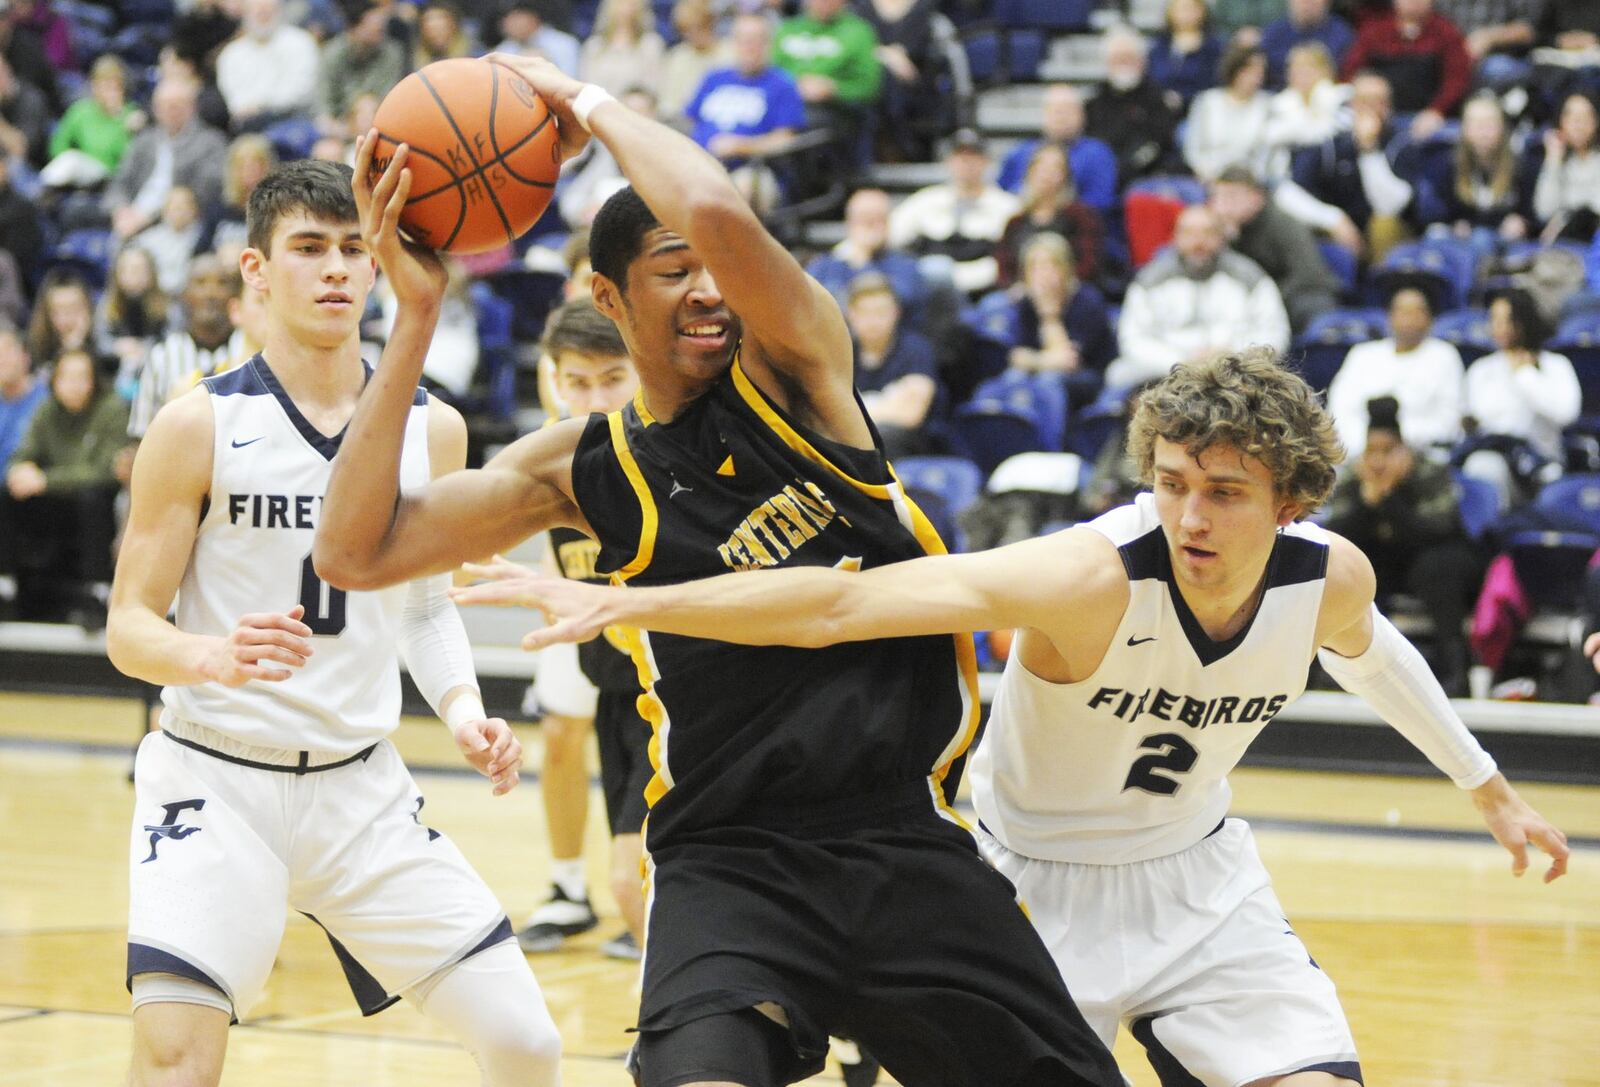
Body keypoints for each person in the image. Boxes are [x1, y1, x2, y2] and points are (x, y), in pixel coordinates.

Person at [316, 53, 1124, 1087]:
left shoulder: (798, 368)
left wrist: (590, 105)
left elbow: (716, 209)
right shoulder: (578, 467)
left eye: (712, 264)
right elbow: (351, 550)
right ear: (606, 296)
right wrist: (415, 313)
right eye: (670, 268)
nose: (708, 287)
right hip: (724, 854)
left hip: (899, 833)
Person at [457, 347, 1570, 1087]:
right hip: (1023, 889)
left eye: (1223, 493)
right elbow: (845, 602)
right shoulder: (1087, 574)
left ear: (1291, 504)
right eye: (1172, 480)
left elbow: (1378, 657)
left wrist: (1488, 787)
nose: (1188, 512)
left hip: (1201, 883)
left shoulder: (1326, 577)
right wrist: (632, 596)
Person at [104, 158, 561, 1087]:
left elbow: (425, 605)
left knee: (527, 1042)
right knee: (176, 1064)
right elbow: (126, 627)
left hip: (362, 792)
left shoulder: (432, 431)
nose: (337, 269)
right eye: (309, 248)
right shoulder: (198, 426)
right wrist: (210, 654)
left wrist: (465, 706)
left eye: (356, 248)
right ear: (256, 272)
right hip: (216, 780)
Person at [517, 297, 651, 961]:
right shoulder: (556, 459)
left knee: (637, 881)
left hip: (680, 703)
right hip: (614, 690)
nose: (594, 399)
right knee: (639, 889)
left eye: (611, 379)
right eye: (577, 382)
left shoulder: (668, 458)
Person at [1322, 395, 1482, 693]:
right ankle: (1329, 670)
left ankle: (1456, 672)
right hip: (1385, 565)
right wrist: (1367, 505)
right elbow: (1335, 535)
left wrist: (1391, 499)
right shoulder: (1356, 478)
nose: (1379, 461)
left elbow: (1438, 530)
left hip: (1430, 559)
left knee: (1439, 567)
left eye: (1388, 451)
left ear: (1404, 450)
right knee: (1340, 569)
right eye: (1372, 451)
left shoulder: (1430, 472)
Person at [3, 347, 128, 623]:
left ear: (94, 380)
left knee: (92, 497)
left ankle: (97, 590)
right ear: (54, 381)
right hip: (53, 501)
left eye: (81, 377)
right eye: (66, 377)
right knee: (7, 491)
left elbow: (106, 471)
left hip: (96, 503)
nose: (73, 384)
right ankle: (12, 586)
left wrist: (46, 480)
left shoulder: (111, 408)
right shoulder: (46, 410)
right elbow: (24, 454)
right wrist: (18, 470)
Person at [1108, 204, 1290, 392]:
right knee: (1118, 374)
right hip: (1167, 373)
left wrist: (1230, 356)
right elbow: (1133, 340)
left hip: (1237, 374)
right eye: (1189, 233)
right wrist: (1184, 361)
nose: (1198, 242)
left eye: (1208, 233)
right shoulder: (1150, 280)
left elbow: (1275, 333)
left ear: (1222, 237)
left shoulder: (1250, 276)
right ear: (1175, 237)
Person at [1459, 288, 1580, 509]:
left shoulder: (1555, 364)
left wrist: (1525, 374)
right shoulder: (1482, 369)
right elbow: (1470, 419)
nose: (1498, 328)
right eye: (1494, 319)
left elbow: (1566, 414)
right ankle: (1490, 537)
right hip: (1496, 460)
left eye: (1507, 320)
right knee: (1482, 466)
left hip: (1541, 465)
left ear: (1524, 320)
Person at [1327, 286, 1464, 455]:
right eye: (1402, 312)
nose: (1408, 320)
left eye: (1416, 312)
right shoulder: (1362, 354)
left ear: (1429, 319)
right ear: (1390, 317)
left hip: (1421, 454)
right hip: (1359, 453)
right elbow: (1340, 409)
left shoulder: (1443, 355)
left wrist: (1393, 444)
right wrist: (1368, 445)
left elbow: (1448, 421)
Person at [128, 255, 248, 441]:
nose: (211, 293)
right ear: (184, 295)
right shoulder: (162, 356)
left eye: (222, 283)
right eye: (200, 283)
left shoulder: (252, 347)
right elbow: (142, 434)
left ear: (235, 296)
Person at [1208, 165, 1341, 333]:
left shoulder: (1284, 226)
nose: (1223, 206)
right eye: (1217, 197)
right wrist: (1224, 238)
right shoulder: (1217, 229)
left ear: (1256, 198)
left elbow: (1308, 274)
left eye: (1232, 197)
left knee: (1311, 306)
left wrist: (1266, 300)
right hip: (1246, 298)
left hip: (1291, 294)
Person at [888, 128, 1020, 296]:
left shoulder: (1007, 207)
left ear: (987, 161)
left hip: (986, 290)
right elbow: (891, 234)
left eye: (973, 156)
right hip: (930, 289)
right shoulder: (924, 201)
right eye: (960, 156)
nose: (966, 163)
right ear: (948, 161)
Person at [104, 77, 228, 243]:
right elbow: (120, 181)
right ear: (155, 109)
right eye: (164, 106)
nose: (170, 111)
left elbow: (204, 193)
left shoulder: (211, 142)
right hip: (132, 216)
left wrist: (151, 217)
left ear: (192, 107)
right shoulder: (144, 140)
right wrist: (121, 210)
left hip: (179, 223)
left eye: (177, 105)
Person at [1340, 0, 1471, 140]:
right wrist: (1368, 108)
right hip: (1380, 115)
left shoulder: (1446, 32)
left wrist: (1437, 111)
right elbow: (1351, 72)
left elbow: (1457, 80)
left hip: (1431, 118)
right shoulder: (1375, 31)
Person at [845, 272, 942, 457]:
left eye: (881, 313)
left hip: (910, 447)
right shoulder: (841, 351)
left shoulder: (916, 349)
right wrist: (886, 401)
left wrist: (857, 406)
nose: (873, 321)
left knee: (882, 437)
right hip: (854, 440)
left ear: (896, 313)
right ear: (851, 315)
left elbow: (910, 415)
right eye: (865, 313)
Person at [995, 84, 1118, 215]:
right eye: (1056, 111)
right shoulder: (1020, 152)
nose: (1062, 117)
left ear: (1082, 115)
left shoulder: (1097, 153)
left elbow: (1099, 201)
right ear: (1044, 114)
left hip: (1075, 226)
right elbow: (1001, 194)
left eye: (1068, 110)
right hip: (1025, 223)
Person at [994, 143, 1103, 290]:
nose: (1047, 174)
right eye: (1041, 167)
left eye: (1055, 168)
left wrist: (1056, 287)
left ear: (1066, 175)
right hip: (1022, 294)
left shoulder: (1082, 217)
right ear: (1030, 173)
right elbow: (1004, 271)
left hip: (1069, 292)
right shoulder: (1015, 222)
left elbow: (1089, 265)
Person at [1085, 25, 1182, 185]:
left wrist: (1128, 167)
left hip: (1147, 175)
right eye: (1118, 59)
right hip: (1103, 175)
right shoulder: (1093, 102)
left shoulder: (1158, 98)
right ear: (1107, 63)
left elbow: (1159, 142)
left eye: (1129, 58)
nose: (1124, 64)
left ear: (1142, 61)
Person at [214, 0, 320, 131]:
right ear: (246, 14)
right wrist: (251, 108)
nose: (263, 16)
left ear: (278, 12)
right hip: (249, 122)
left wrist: (262, 106)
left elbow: (302, 89)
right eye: (258, 12)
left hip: (295, 117)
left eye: (268, 11)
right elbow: (234, 97)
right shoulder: (231, 54)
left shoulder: (301, 42)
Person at [315, 0, 408, 139]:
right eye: (374, 27)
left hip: (379, 123)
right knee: (326, 150)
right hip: (341, 125)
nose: (380, 29)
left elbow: (387, 98)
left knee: (367, 106)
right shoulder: (333, 54)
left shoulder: (391, 53)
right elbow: (324, 108)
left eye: (381, 27)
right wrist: (345, 128)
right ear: (353, 28)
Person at [1183, 41, 1274, 183]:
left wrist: (1251, 180)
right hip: (1208, 176)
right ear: (1234, 70)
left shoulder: (1267, 104)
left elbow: (1266, 154)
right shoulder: (1208, 101)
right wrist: (1207, 175)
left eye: (1260, 72)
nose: (1256, 78)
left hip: (1249, 179)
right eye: (1250, 71)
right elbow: (1193, 148)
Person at [1532, 91, 1600, 241]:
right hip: (1562, 245)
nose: (1577, 124)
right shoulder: (1550, 158)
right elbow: (1544, 211)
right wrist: (1553, 160)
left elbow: (1594, 210)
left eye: (1585, 117)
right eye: (1570, 116)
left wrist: (1562, 219)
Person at [1147, 0, 1223, 110]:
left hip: (1200, 109)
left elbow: (1214, 83)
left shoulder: (1214, 47)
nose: (1187, 14)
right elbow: (1152, 77)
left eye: (1192, 8)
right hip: (1160, 109)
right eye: (1182, 9)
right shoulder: (1158, 46)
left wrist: (1183, 98)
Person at [581, 0, 666, 98]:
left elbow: (653, 89)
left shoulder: (651, 45)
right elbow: (587, 88)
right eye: (621, 3)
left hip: (636, 110)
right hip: (600, 109)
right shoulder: (594, 46)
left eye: (631, 4)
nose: (626, 8)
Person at [1260, 0, 1355, 87]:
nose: (1306, 4)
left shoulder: (1341, 34)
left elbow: (1346, 74)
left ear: (1327, 2)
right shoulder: (1273, 34)